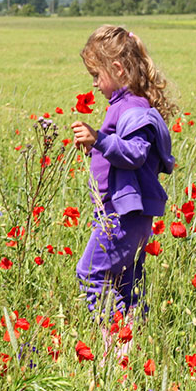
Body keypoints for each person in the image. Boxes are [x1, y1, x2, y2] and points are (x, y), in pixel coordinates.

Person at [70, 26, 176, 324]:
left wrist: (99, 140)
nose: (94, 84)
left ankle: (115, 340)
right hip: (124, 214)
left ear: (117, 69)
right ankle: (133, 342)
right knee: (125, 286)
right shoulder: (125, 105)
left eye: (96, 75)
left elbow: (135, 153)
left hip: (122, 216)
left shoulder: (133, 109)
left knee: (91, 274)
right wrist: (96, 148)